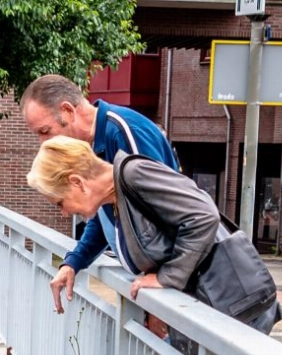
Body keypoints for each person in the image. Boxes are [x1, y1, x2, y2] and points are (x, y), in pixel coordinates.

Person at [25, 137, 282, 337]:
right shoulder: (112, 196)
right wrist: (73, 263)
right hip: (214, 305)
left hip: (234, 304)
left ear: (77, 182)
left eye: (60, 202)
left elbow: (203, 216)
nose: (64, 212)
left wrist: (166, 277)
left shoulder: (134, 175)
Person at [22, 75, 178, 315]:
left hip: (188, 290)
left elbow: (167, 212)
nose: (43, 143)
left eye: (44, 131)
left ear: (67, 111)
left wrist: (163, 287)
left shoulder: (124, 134)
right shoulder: (95, 145)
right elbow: (108, 217)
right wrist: (74, 261)